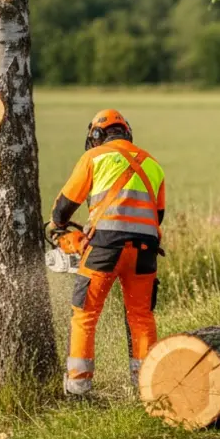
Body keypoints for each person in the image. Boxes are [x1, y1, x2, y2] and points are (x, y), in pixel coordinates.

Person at [48, 109, 166, 396]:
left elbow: (65, 205)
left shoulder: (93, 158)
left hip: (105, 248)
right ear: (126, 132)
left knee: (85, 314)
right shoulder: (153, 165)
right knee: (140, 316)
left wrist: (57, 226)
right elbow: (157, 215)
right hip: (145, 250)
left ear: (97, 136)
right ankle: (145, 388)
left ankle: (78, 388)